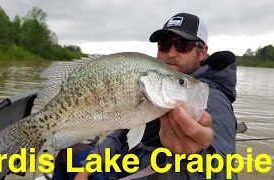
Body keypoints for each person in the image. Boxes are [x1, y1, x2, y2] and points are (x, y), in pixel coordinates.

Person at [59, 12, 237, 180]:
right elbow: (120, 133)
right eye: (164, 45)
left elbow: (224, 170)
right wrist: (87, 167)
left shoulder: (209, 98)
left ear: (202, 51)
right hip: (121, 164)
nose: (171, 53)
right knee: (66, 154)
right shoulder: (154, 89)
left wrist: (195, 158)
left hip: (141, 173)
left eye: (183, 45)